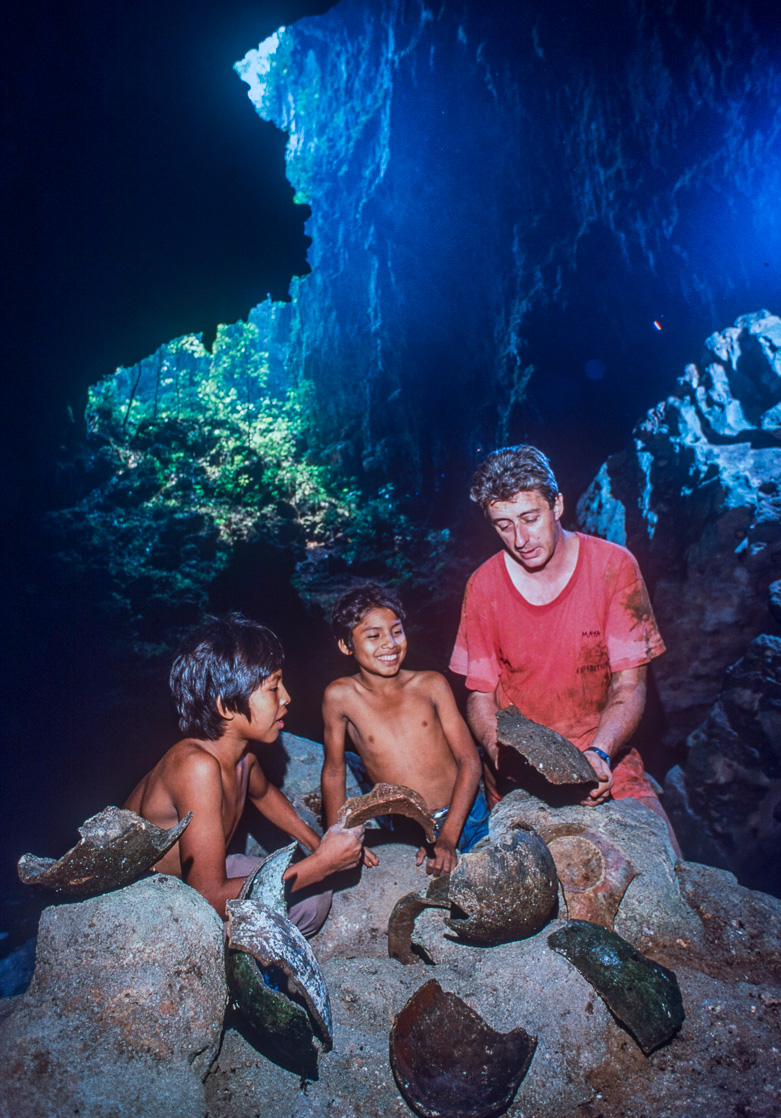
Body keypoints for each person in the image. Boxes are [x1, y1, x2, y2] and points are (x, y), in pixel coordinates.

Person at [450, 444, 681, 852]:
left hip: (605, 755)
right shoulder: (483, 587)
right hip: (519, 771)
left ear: (557, 504)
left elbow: (630, 685)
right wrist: (510, 760)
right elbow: (480, 697)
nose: (520, 539)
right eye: (503, 525)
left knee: (667, 865)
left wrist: (599, 754)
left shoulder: (614, 567)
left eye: (530, 517)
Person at [124, 613, 365, 934]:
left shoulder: (242, 756)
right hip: (158, 898)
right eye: (273, 688)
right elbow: (207, 895)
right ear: (225, 707)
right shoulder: (196, 766)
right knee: (309, 883)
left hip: (201, 880)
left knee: (313, 900)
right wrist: (322, 865)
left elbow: (264, 794)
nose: (287, 697)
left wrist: (319, 844)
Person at [321, 583, 487, 877]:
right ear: (346, 646)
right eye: (374, 636)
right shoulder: (340, 697)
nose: (390, 643)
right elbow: (334, 771)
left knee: (488, 885)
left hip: (466, 814)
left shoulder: (431, 685)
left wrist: (448, 836)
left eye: (396, 631)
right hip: (407, 829)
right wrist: (341, 837)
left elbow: (469, 760)